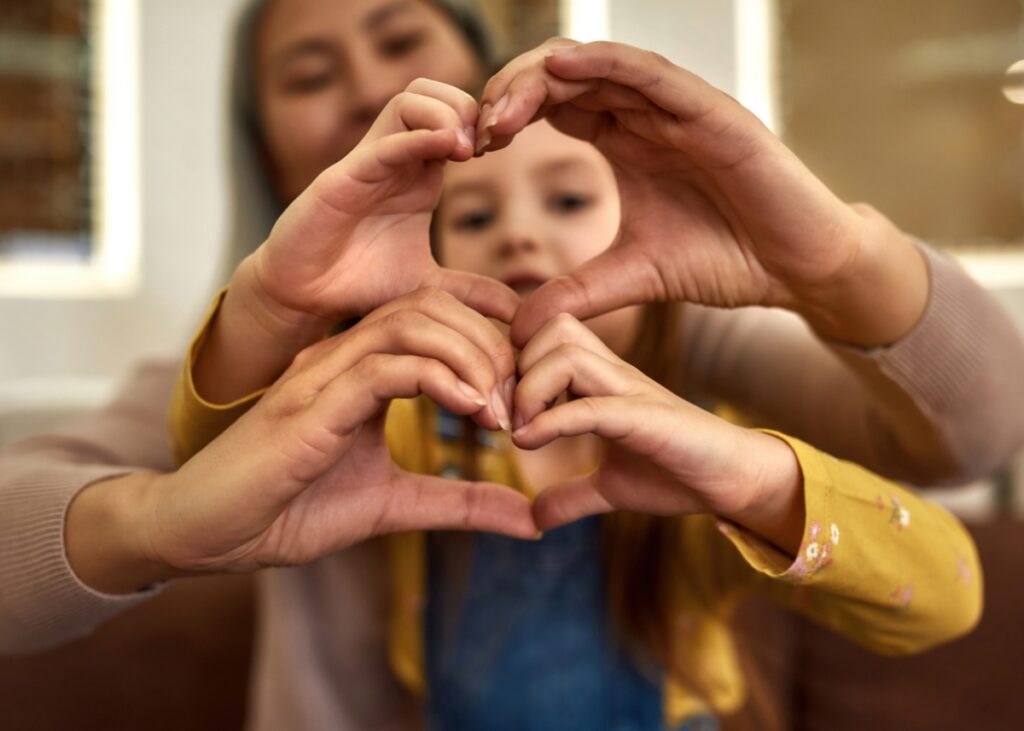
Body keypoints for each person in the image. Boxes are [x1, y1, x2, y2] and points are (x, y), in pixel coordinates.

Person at [0, 1, 1020, 725]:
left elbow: (969, 459)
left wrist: (834, 267)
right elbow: (199, 451)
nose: (366, 82)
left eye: (399, 37)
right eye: (308, 74)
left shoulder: (674, 350)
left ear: (486, 75)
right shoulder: (270, 367)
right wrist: (162, 508)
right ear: (274, 160)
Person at [169, 96, 983, 729]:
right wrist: (273, 300)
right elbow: (210, 474)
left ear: (654, 253)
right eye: (476, 217)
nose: (520, 234)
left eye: (566, 201)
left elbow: (948, 593)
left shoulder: (694, 458)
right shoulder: (404, 424)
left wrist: (752, 476)